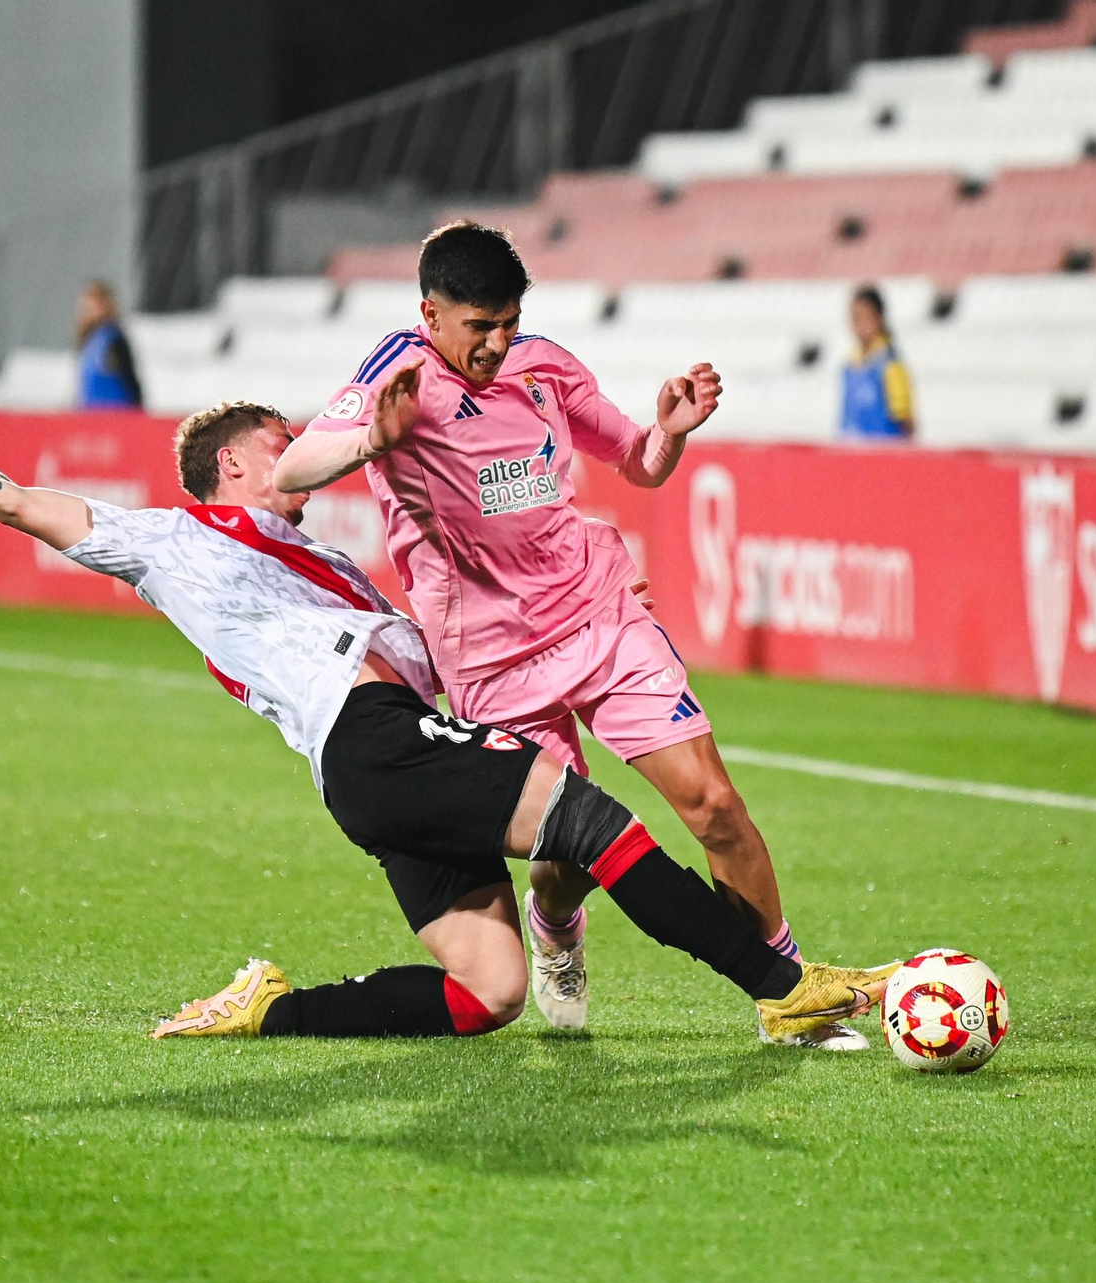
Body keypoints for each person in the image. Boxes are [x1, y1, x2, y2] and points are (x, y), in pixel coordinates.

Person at [0, 377, 899, 1046]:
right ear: (231, 460)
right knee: (591, 823)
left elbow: (471, 642)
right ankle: (786, 985)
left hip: (378, 770)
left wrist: (590, 604)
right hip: (366, 739)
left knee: (490, 991)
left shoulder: (337, 566)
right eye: (281, 439)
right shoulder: (170, 539)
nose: (301, 451)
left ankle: (268, 1008)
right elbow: (9, 498)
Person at [273, 221, 880, 1048]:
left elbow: (637, 458)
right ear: (431, 313)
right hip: (490, 661)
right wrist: (373, 440)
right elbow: (292, 469)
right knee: (565, 858)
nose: (496, 343)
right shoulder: (396, 371)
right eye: (478, 326)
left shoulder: (544, 366)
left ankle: (790, 993)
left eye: (508, 323)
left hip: (598, 615)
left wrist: (670, 430)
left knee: (714, 804)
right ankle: (555, 924)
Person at [839, 284, 915, 441]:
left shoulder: (891, 365)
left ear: (879, 318)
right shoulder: (849, 365)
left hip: (884, 456)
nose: (858, 325)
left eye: (864, 317)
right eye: (855, 318)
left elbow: (906, 422)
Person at [75, 280, 144, 410]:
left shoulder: (112, 340)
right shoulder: (90, 340)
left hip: (116, 415)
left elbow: (130, 379)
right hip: (92, 415)